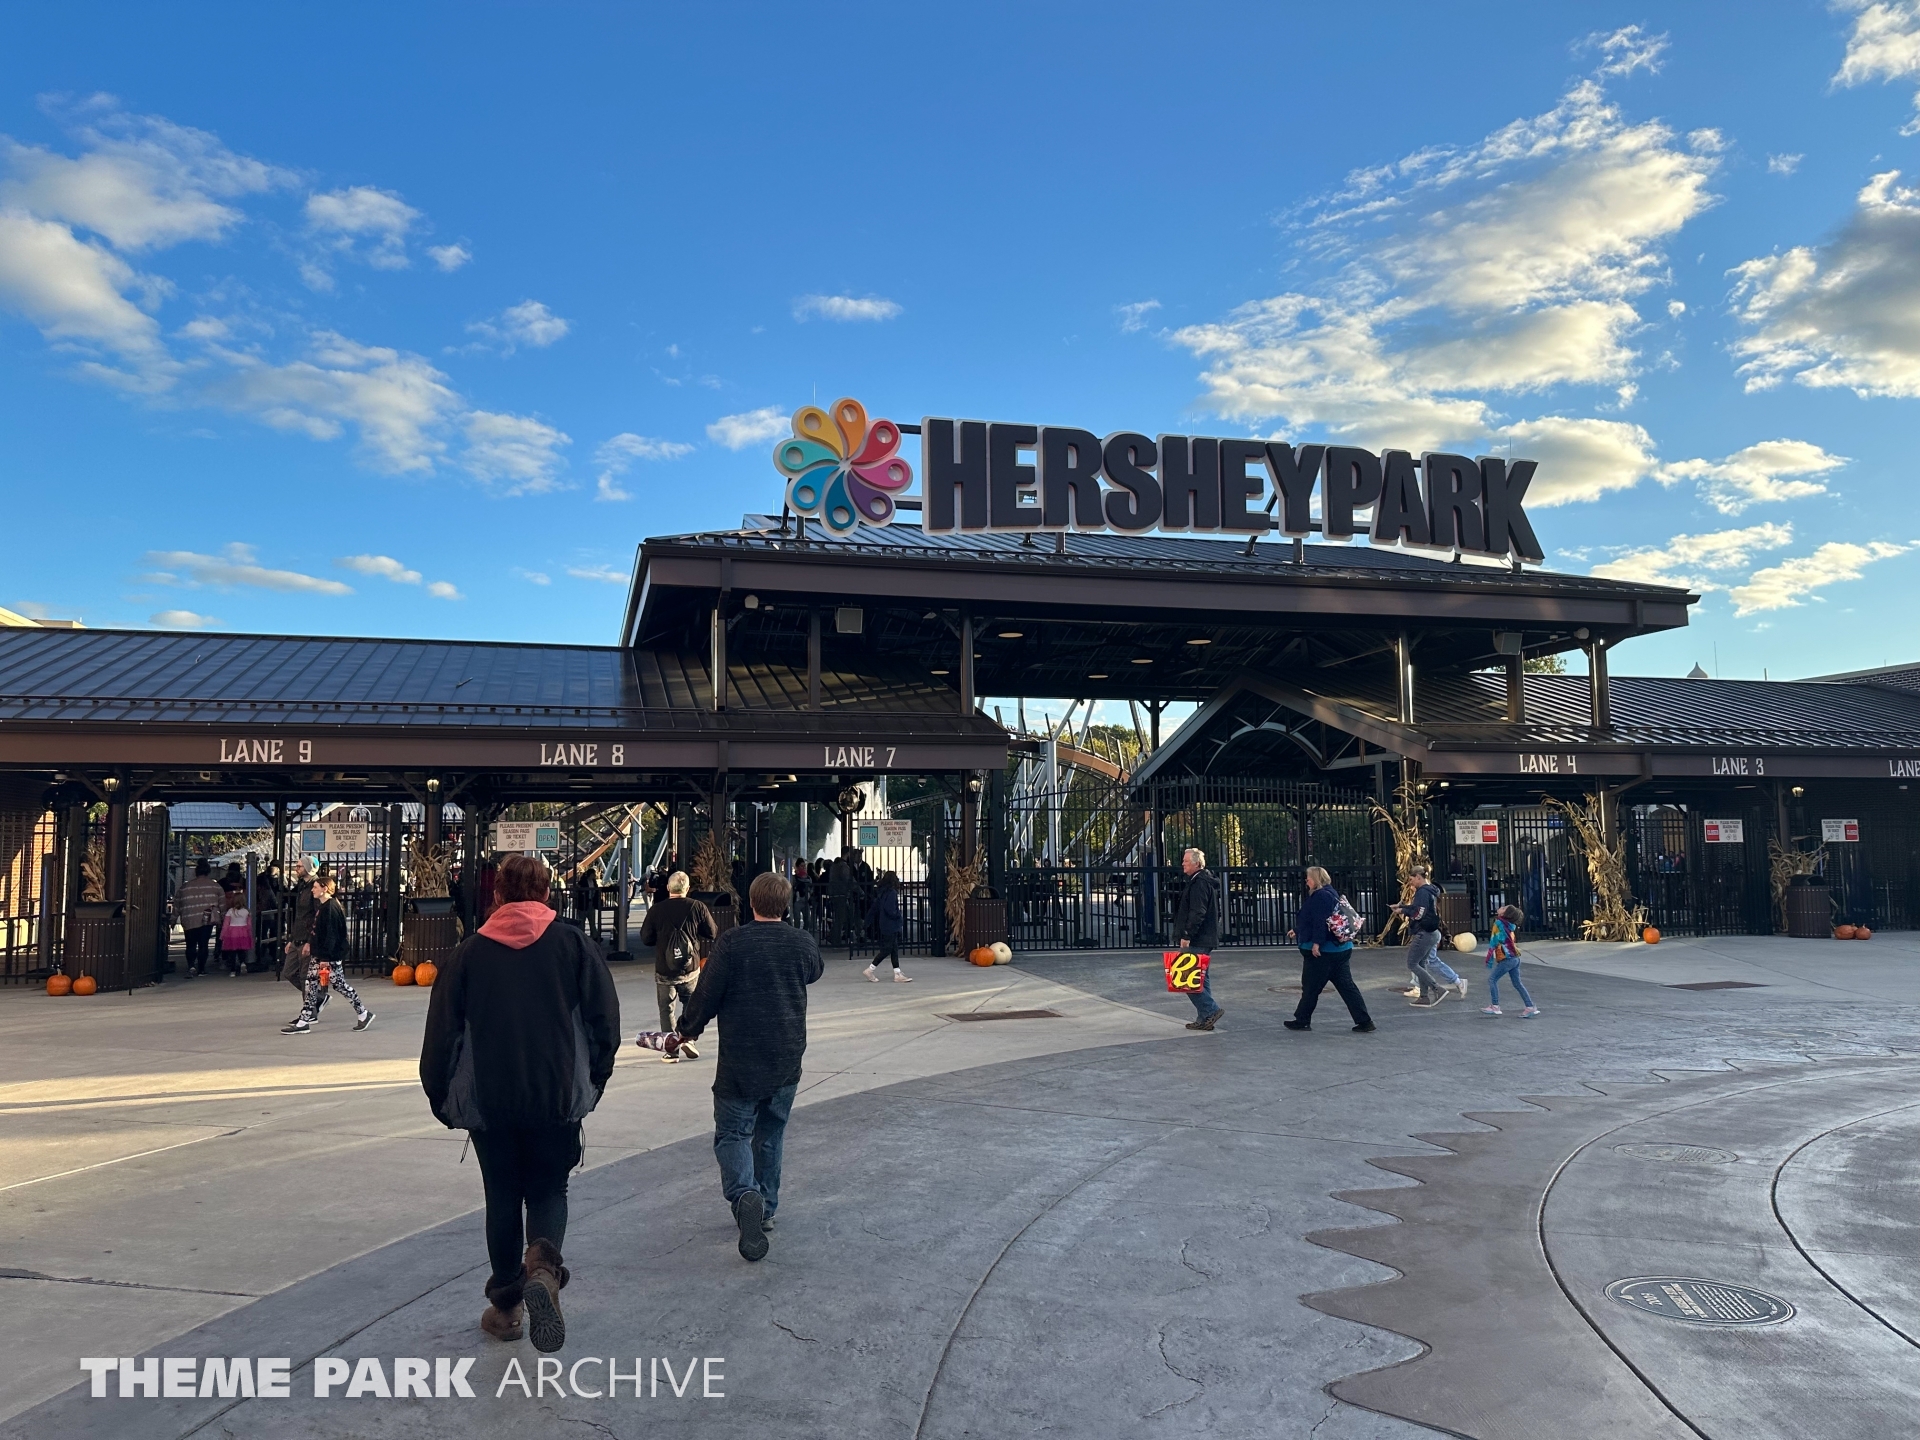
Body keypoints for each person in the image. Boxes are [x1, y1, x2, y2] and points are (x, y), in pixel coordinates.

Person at [420, 854, 620, 1353]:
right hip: (557, 1097)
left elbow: (440, 1035)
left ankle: (507, 1308)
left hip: (490, 1102)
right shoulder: (575, 945)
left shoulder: (467, 954)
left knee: (502, 1196)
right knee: (550, 1188)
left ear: (496, 896)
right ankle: (544, 1271)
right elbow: (605, 1024)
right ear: (548, 894)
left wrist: (441, 1096)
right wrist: (593, 1081)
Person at [673, 870, 824, 1262]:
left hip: (740, 1059)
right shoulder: (801, 942)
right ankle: (766, 1209)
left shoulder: (732, 943)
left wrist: (686, 1030)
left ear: (751, 902)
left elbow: (707, 995)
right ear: (785, 906)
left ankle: (745, 1196)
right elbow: (815, 971)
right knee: (771, 1133)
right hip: (787, 1056)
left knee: (733, 1134)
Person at [1284, 866, 1375, 1034]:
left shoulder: (1320, 896)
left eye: (1308, 878)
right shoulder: (1331, 893)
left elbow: (1320, 921)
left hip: (1325, 952)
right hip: (1341, 949)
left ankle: (1302, 1020)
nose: (1306, 881)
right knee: (1347, 987)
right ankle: (1364, 1021)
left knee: (1311, 987)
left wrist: (1317, 943)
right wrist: (1297, 930)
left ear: (1316, 879)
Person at [282, 872, 374, 1034]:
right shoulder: (324, 906)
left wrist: (324, 958)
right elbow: (317, 930)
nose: (313, 890)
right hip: (319, 954)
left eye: (316, 887)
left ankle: (363, 1013)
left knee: (339, 985)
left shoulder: (330, 908)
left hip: (328, 956)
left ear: (324, 889)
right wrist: (312, 945)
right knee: (310, 985)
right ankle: (304, 1021)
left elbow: (331, 935)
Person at [638, 870, 715, 1062]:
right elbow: (712, 932)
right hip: (690, 968)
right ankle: (688, 1038)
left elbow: (646, 938)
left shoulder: (656, 910)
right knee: (690, 1003)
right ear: (687, 888)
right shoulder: (697, 907)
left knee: (666, 1009)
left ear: (667, 888)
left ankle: (671, 1050)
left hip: (664, 968)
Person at [1394, 864, 1467, 1008]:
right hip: (1431, 931)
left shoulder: (1422, 892)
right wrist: (1402, 908)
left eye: (1411, 879)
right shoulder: (1431, 890)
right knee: (1422, 963)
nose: (1411, 883)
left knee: (1412, 963)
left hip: (1424, 932)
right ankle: (1424, 996)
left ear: (1418, 877)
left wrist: (1404, 911)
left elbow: (1418, 913)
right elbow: (1420, 909)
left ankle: (1436, 988)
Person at [1171, 847, 1224, 1031]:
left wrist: (1187, 934)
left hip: (1198, 938)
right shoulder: (1203, 880)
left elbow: (1197, 912)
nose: (1183, 864)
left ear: (1196, 863)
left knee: (1187, 978)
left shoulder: (1199, 883)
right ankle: (1204, 1019)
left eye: (1186, 861)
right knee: (1201, 978)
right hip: (1205, 937)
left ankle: (1210, 1010)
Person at [1482, 905, 1540, 1017]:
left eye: (1504, 908)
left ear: (1504, 914)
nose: (1501, 907)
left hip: (1507, 958)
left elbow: (1494, 941)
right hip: (1515, 958)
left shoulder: (1499, 924)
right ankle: (1530, 1007)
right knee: (1517, 983)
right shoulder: (1510, 926)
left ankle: (1495, 1006)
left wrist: (1489, 957)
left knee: (1492, 979)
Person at [178, 858, 224, 978]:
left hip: (189, 918)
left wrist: (173, 919)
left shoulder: (185, 887)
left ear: (196, 872)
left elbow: (178, 904)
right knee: (203, 944)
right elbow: (222, 904)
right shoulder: (216, 887)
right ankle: (201, 969)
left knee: (190, 944)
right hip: (206, 919)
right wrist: (223, 918)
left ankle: (191, 966)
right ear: (208, 872)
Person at [863, 872, 911, 982]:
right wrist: (898, 915)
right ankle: (871, 969)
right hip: (891, 924)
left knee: (894, 948)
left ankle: (897, 972)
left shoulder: (882, 893)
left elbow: (875, 908)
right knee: (888, 949)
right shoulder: (892, 893)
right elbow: (890, 910)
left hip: (884, 923)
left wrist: (867, 922)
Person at [281, 860, 318, 994]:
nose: (296, 869)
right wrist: (291, 938)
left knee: (305, 976)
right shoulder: (302, 885)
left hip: (307, 936)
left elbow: (316, 915)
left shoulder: (315, 886)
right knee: (288, 972)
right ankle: (317, 996)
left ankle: (312, 1002)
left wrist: (310, 940)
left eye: (299, 866)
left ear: (308, 868)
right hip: (297, 935)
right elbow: (298, 914)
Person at [217, 886, 253, 976]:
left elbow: (226, 925)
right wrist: (250, 934)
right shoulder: (246, 911)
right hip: (243, 932)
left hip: (232, 933)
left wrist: (222, 935)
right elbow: (249, 925)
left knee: (232, 952)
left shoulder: (230, 911)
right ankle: (243, 963)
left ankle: (233, 971)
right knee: (242, 951)